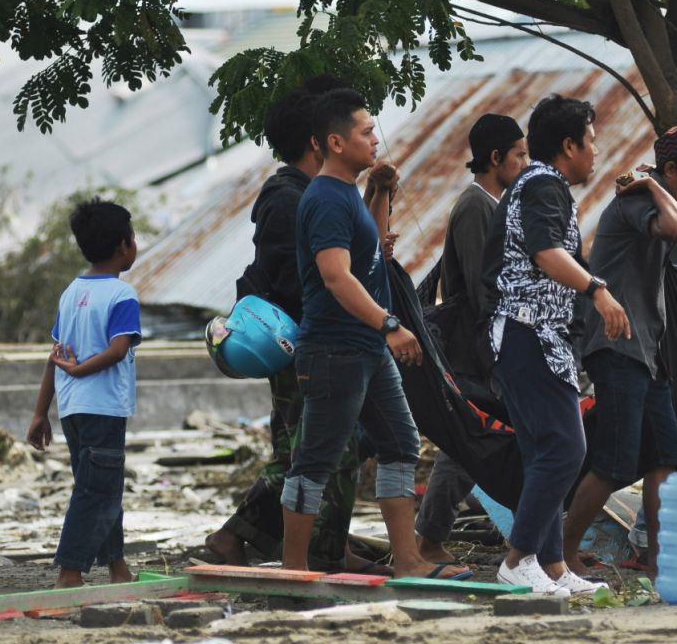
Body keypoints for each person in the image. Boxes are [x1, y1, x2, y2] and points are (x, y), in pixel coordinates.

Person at [279, 87, 468, 580]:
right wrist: (390, 325)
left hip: (365, 348)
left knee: (401, 442)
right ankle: (292, 569)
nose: (376, 140)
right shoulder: (324, 199)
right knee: (316, 459)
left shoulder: (346, 195)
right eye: (367, 132)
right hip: (335, 348)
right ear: (336, 143)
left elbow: (371, 256)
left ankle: (407, 560)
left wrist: (381, 192)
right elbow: (337, 275)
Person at [205, 80, 381, 574]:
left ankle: (327, 546)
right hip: (305, 345)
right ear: (321, 141)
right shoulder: (292, 198)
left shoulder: (310, 192)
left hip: (321, 342)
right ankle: (240, 535)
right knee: (309, 452)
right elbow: (307, 280)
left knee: (331, 448)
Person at [563, 124, 677, 579]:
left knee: (667, 456)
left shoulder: (663, 195)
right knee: (614, 462)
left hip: (649, 352)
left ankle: (659, 558)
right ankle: (561, 551)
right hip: (617, 345)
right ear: (669, 170)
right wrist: (650, 185)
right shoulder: (634, 202)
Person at [481, 94, 628, 596]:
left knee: (542, 450)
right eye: (590, 142)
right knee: (567, 447)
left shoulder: (542, 185)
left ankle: (552, 568)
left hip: (532, 336)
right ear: (569, 144)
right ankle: (517, 559)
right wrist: (598, 290)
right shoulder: (543, 184)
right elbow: (546, 253)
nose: (595, 153)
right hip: (528, 333)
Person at [415, 113, 528, 566]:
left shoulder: (491, 204)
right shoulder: (476, 206)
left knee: (486, 443)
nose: (525, 163)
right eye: (519, 155)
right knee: (469, 447)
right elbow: (487, 291)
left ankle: (534, 539)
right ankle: (428, 538)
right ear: (495, 157)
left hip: (488, 346)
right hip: (478, 349)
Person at [26, 199, 141, 588]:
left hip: (73, 411)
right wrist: (79, 369)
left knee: (99, 487)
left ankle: (117, 567)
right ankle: (69, 573)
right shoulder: (122, 295)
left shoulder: (70, 292)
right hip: (103, 409)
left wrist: (41, 413)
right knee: (98, 493)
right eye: (134, 236)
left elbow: (52, 356)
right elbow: (118, 349)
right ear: (124, 246)